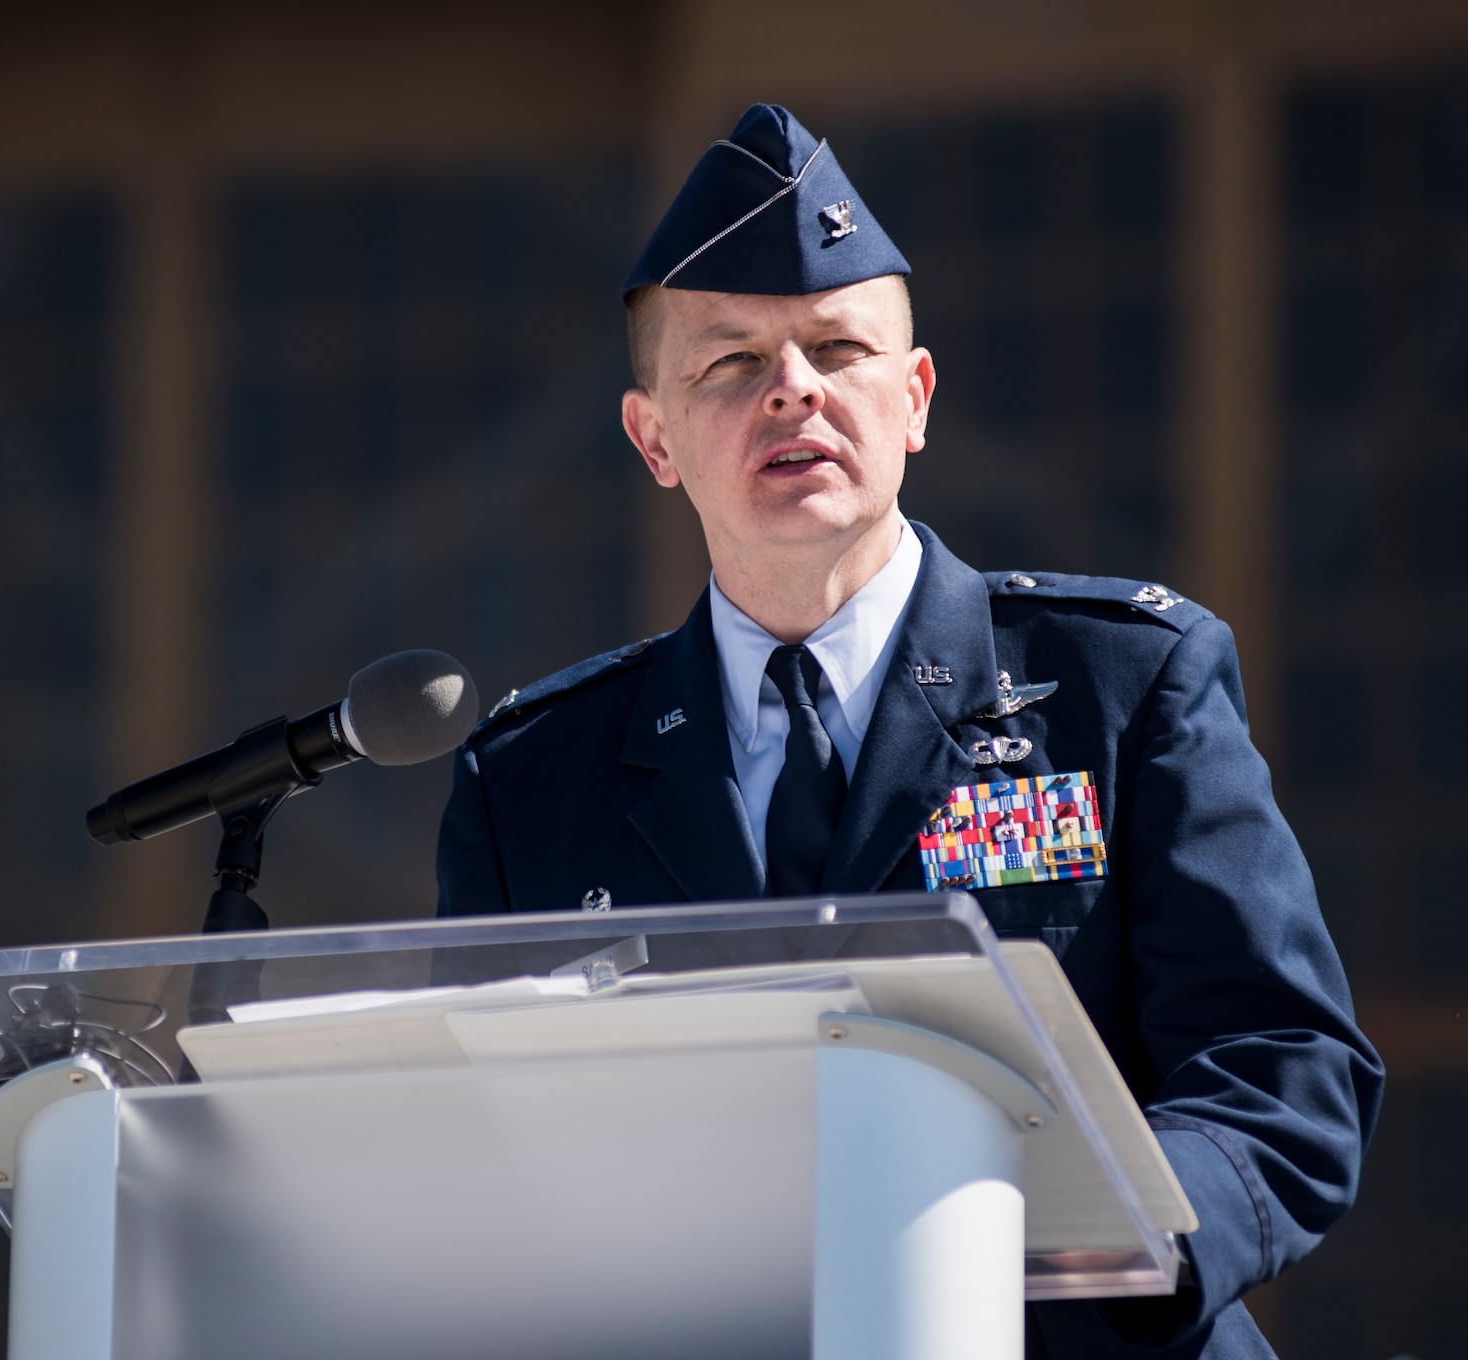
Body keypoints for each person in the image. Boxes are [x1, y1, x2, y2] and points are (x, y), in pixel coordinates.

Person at [434, 103, 1382, 1358]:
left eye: (837, 348)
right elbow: (478, 1158)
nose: (794, 390)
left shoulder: (1120, 686)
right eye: (730, 361)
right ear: (651, 435)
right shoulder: (531, 785)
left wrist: (1087, 1250)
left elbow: (1280, 1070)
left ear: (914, 397)